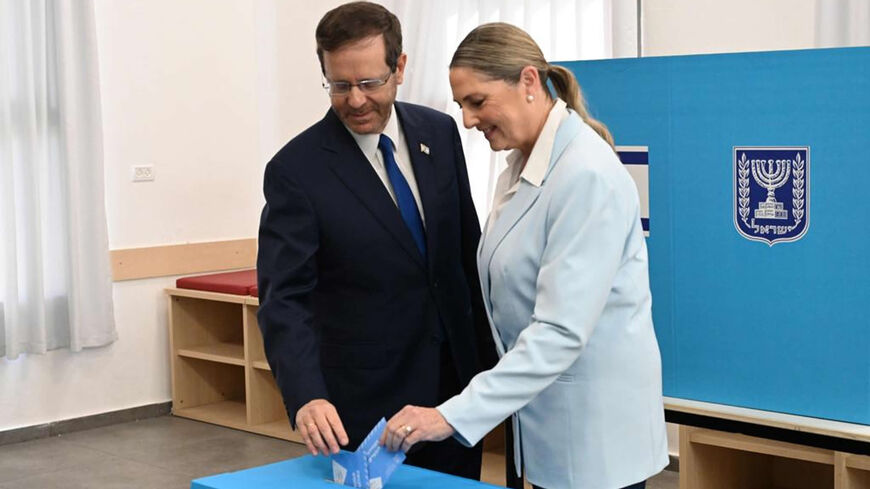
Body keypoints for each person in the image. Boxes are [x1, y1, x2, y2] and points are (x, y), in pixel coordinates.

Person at [381, 23, 669, 489]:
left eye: (478, 102)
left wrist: (451, 414)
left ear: (529, 82)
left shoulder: (585, 175)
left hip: (594, 440)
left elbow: (559, 331)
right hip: (537, 424)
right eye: (461, 107)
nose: (469, 121)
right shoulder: (519, 166)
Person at [256, 1, 496, 480]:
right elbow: (284, 298)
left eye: (370, 82)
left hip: (453, 396)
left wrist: (489, 373)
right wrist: (306, 394)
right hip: (365, 405)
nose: (356, 100)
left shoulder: (440, 132)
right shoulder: (296, 171)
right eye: (340, 85)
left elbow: (463, 256)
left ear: (400, 67)